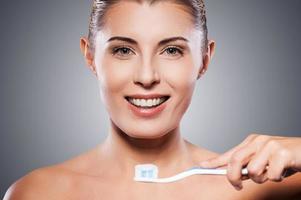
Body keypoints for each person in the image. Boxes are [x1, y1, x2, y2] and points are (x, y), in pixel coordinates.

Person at [4, 0, 301, 199]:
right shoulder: (38, 193)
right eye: (123, 50)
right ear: (90, 56)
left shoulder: (263, 188)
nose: (147, 77)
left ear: (205, 59)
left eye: (171, 50)